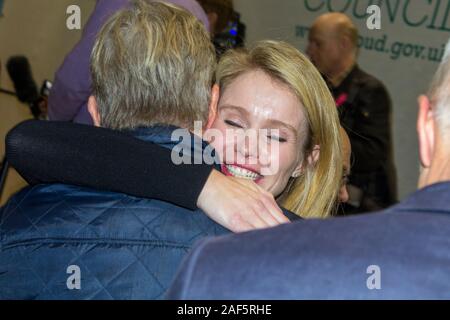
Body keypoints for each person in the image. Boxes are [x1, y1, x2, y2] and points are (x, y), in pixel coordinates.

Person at [167, 41, 450, 300]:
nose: (247, 147)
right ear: (207, 116)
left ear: (305, 161)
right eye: (234, 123)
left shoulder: (319, 266)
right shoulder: (144, 195)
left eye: (276, 136)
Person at [48, 0, 209, 125]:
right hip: (157, 147)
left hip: (95, 135)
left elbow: (75, 79)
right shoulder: (199, 18)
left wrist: (53, 120)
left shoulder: (122, 4)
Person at [306, 13, 397, 214]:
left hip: (358, 209)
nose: (309, 50)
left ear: (344, 44)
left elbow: (372, 153)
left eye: (317, 44)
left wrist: (318, 140)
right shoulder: (316, 87)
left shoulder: (371, 91)